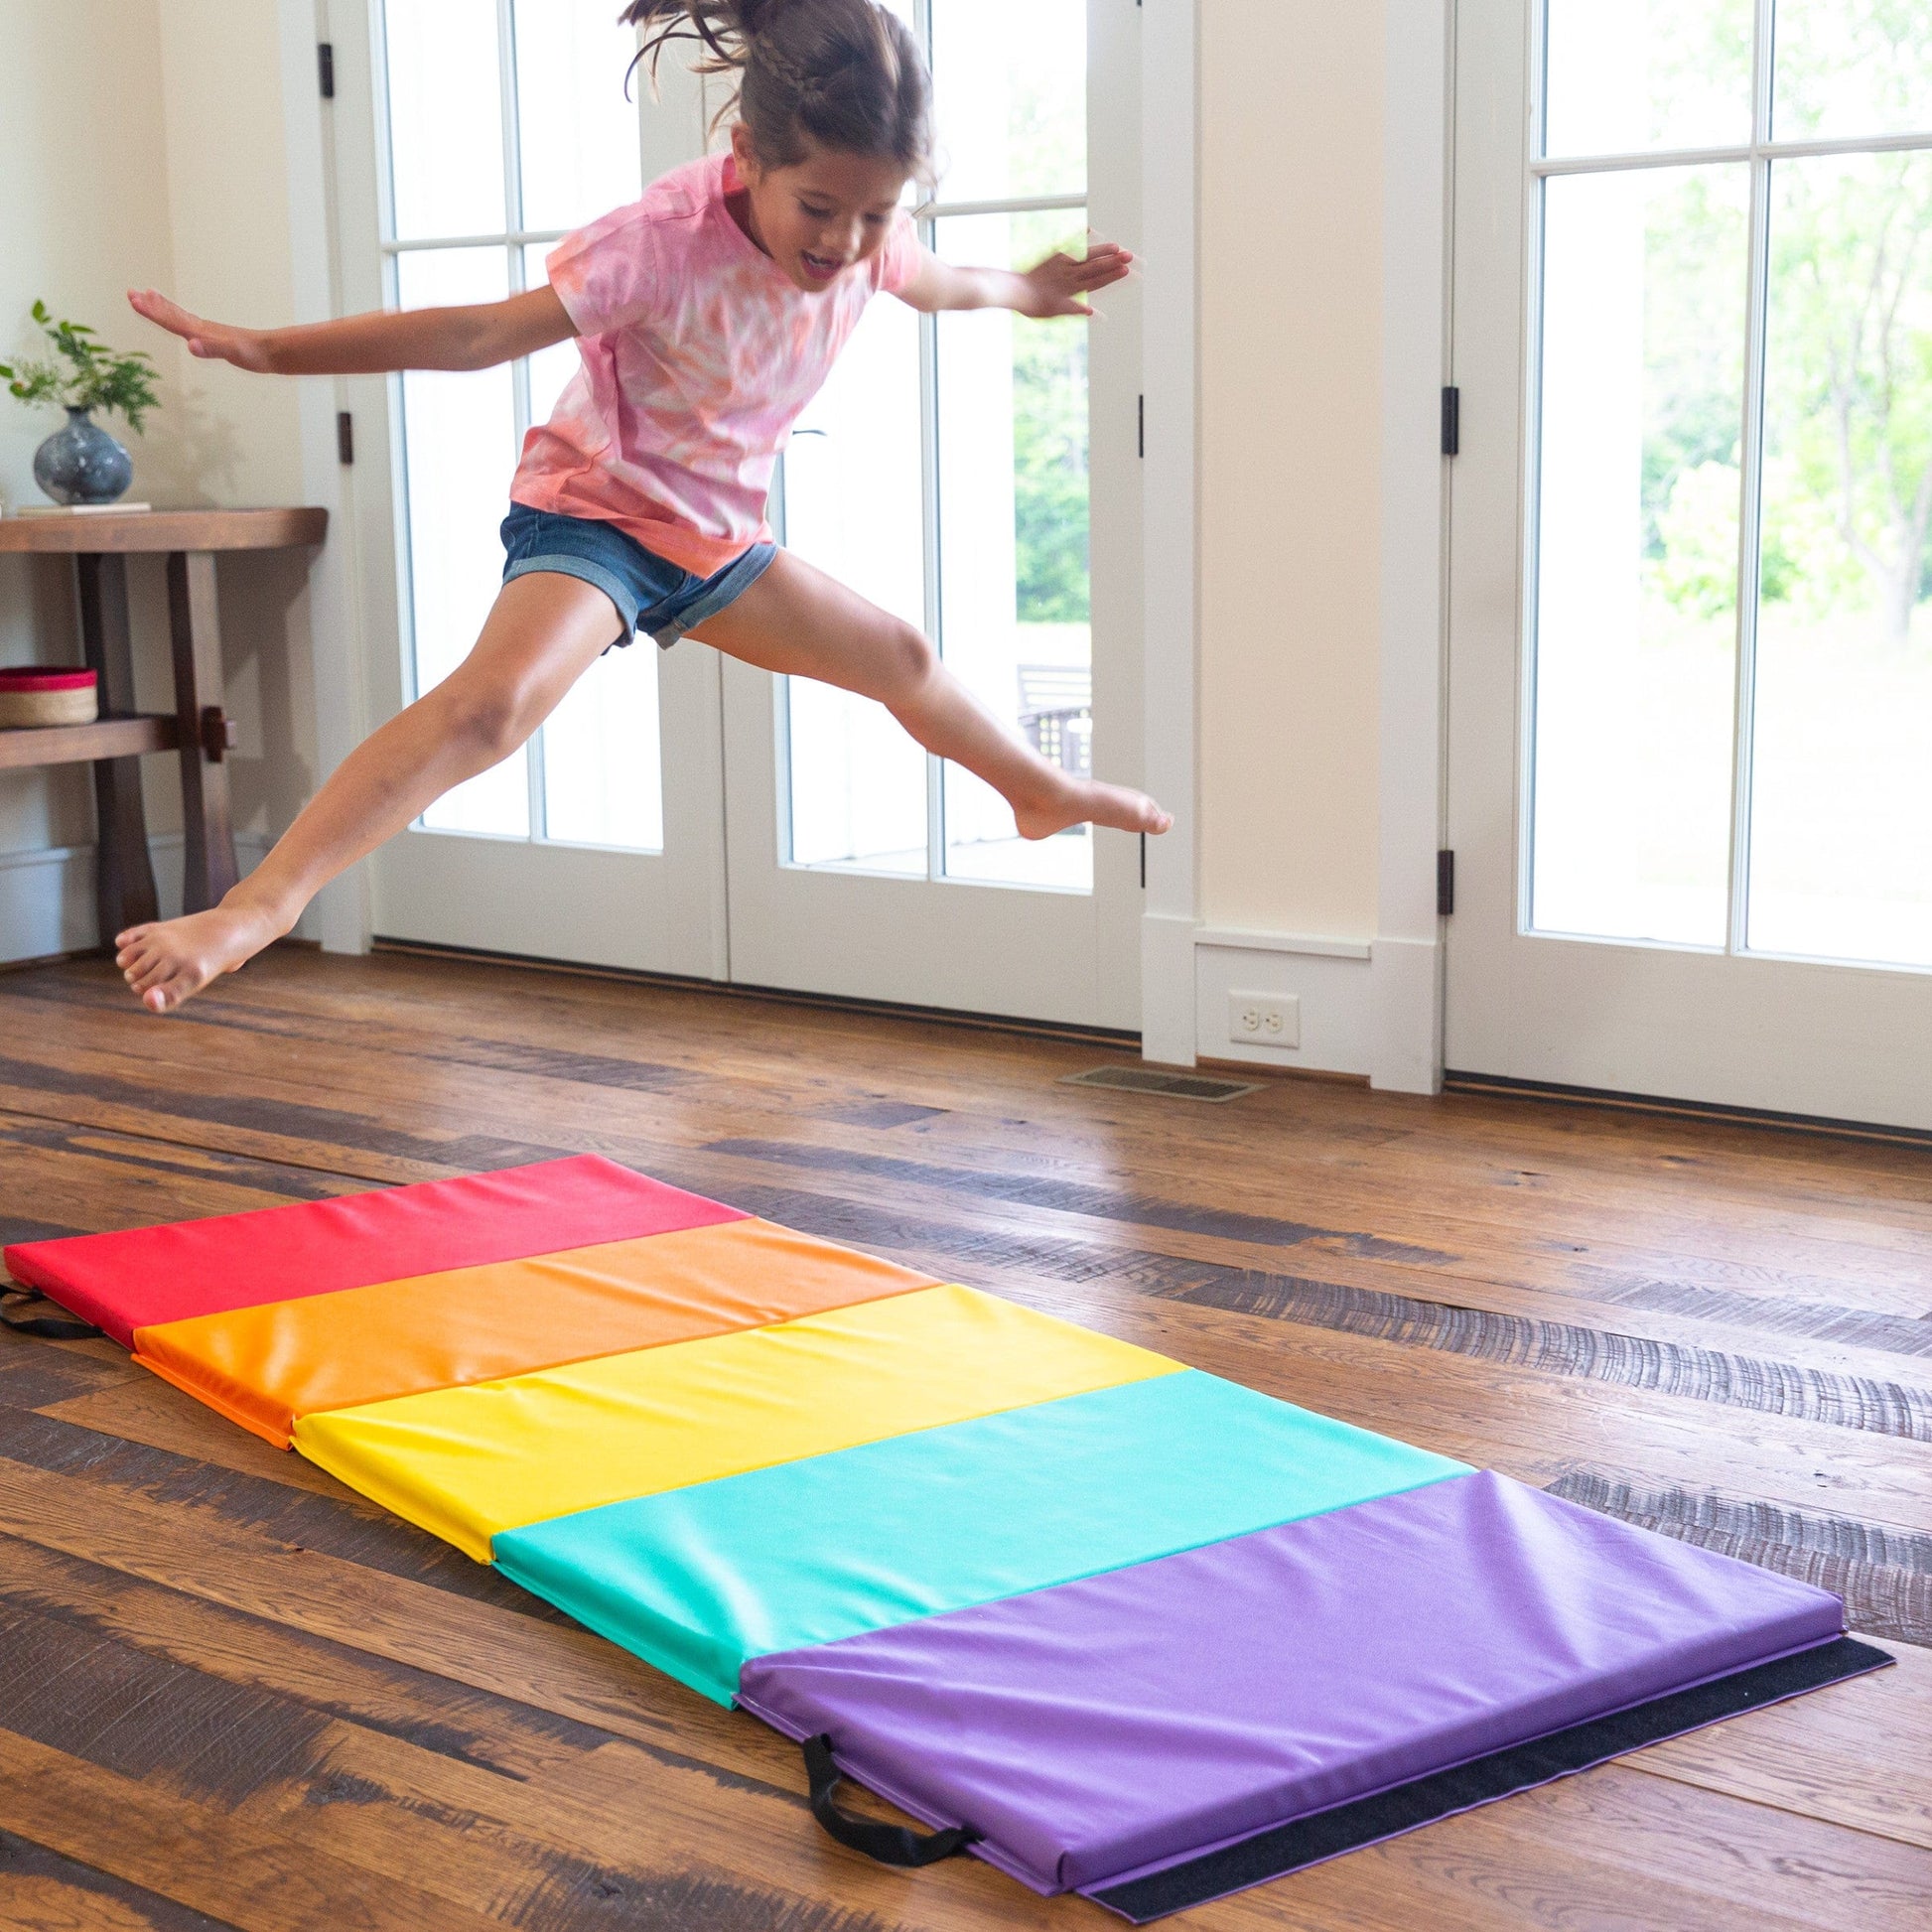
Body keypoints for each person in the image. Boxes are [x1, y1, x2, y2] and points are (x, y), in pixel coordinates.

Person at [112, 0, 1170, 1015]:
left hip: (715, 539)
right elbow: (475, 337)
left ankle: (1034, 792)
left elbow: (940, 283)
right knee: (493, 705)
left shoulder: (865, 234)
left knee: (899, 656)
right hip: (598, 514)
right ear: (746, 154)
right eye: (819, 210)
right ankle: (255, 907)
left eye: (875, 215)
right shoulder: (659, 240)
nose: (846, 243)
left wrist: (1028, 291)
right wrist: (265, 350)